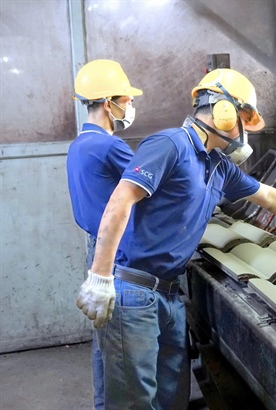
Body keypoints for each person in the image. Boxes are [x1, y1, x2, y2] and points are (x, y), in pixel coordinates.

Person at [75, 68, 276, 409]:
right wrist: (100, 276)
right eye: (245, 118)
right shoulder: (170, 145)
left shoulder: (218, 166)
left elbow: (266, 195)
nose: (245, 130)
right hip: (134, 291)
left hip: (169, 293)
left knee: (172, 397)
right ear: (226, 112)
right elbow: (120, 200)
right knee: (133, 402)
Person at [66, 59, 143, 410]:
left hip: (96, 254)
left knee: (106, 349)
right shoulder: (110, 146)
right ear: (109, 102)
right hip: (119, 257)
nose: (130, 107)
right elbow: (151, 184)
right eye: (126, 100)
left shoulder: (79, 144)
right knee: (126, 362)